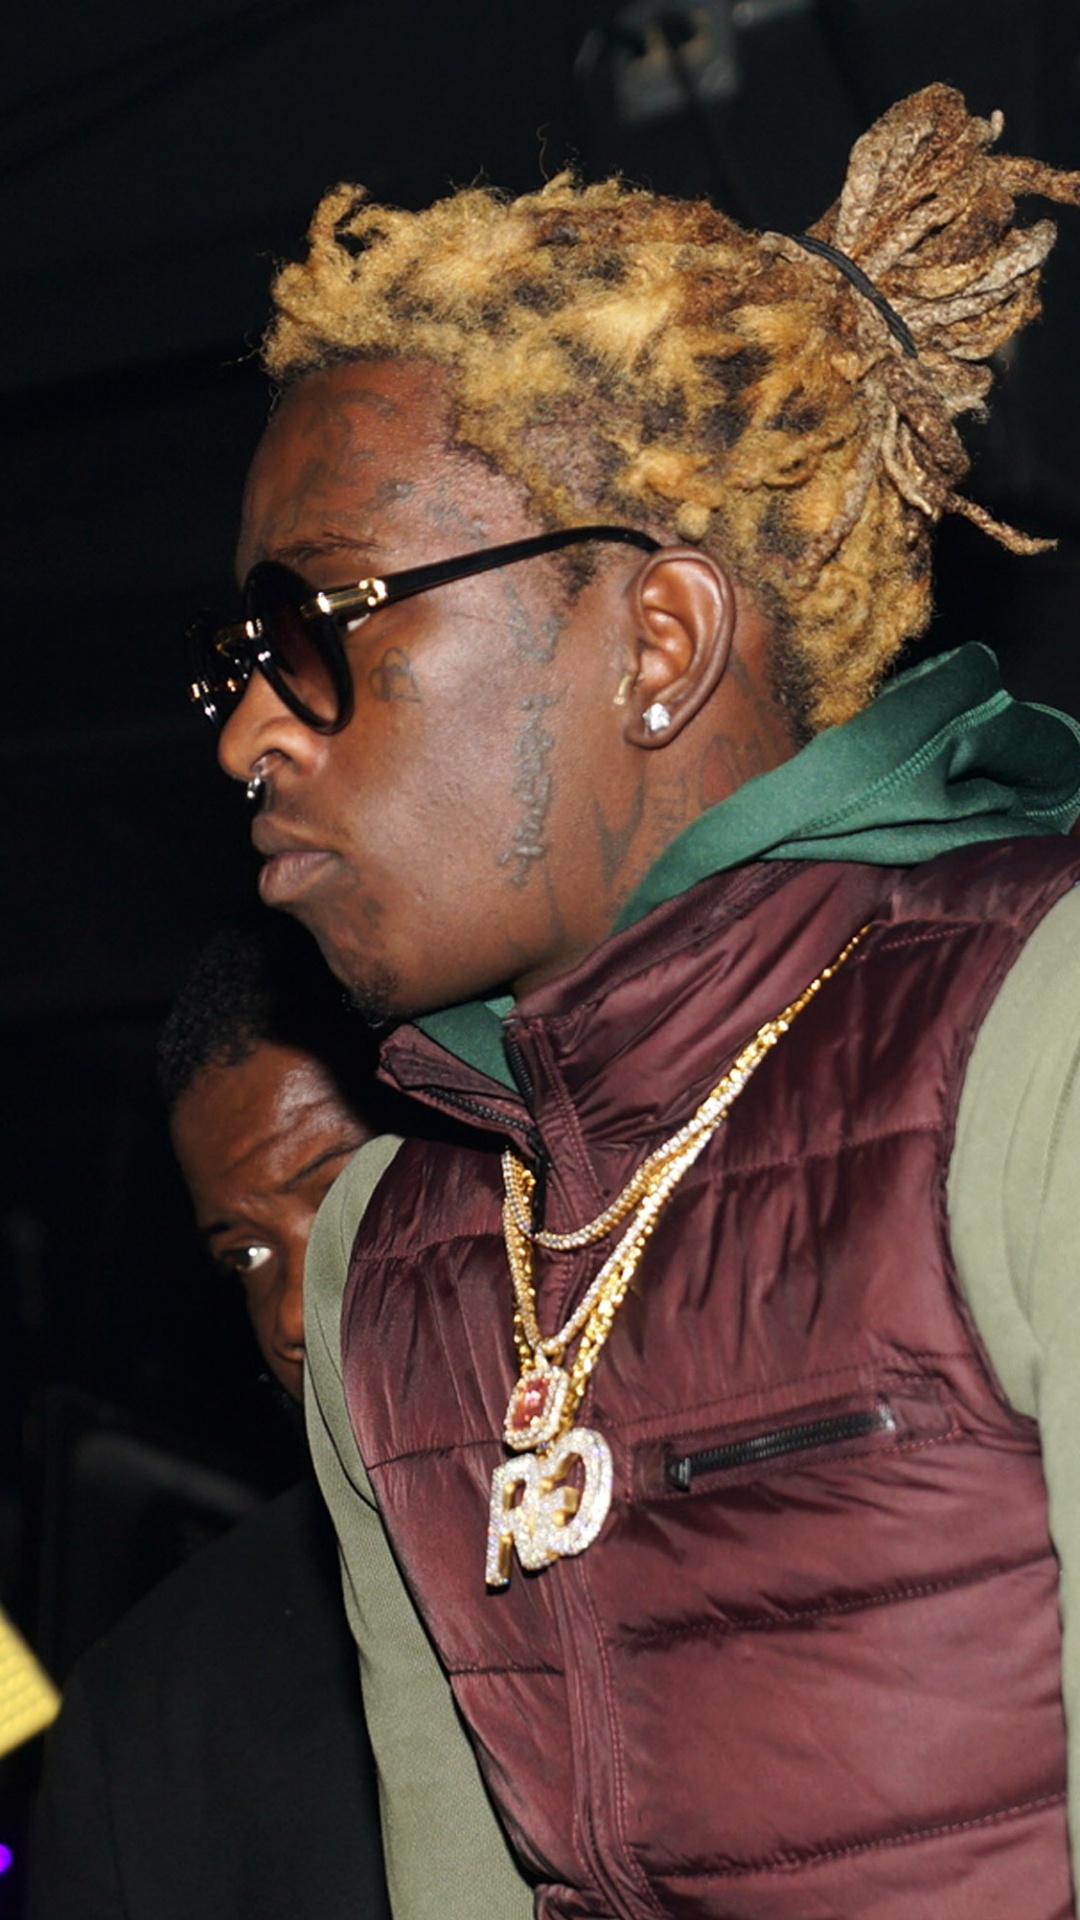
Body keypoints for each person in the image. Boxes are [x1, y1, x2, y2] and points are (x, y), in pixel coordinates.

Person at [196, 82, 1080, 1917]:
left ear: (658, 645)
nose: (250, 734)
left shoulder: (1034, 1038)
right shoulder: (392, 1253)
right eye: (237, 662)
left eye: (321, 628)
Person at [28, 921, 392, 1920]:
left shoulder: (703, 1518)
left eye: (345, 1194)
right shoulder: (146, 1711)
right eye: (247, 1255)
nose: (290, 1314)